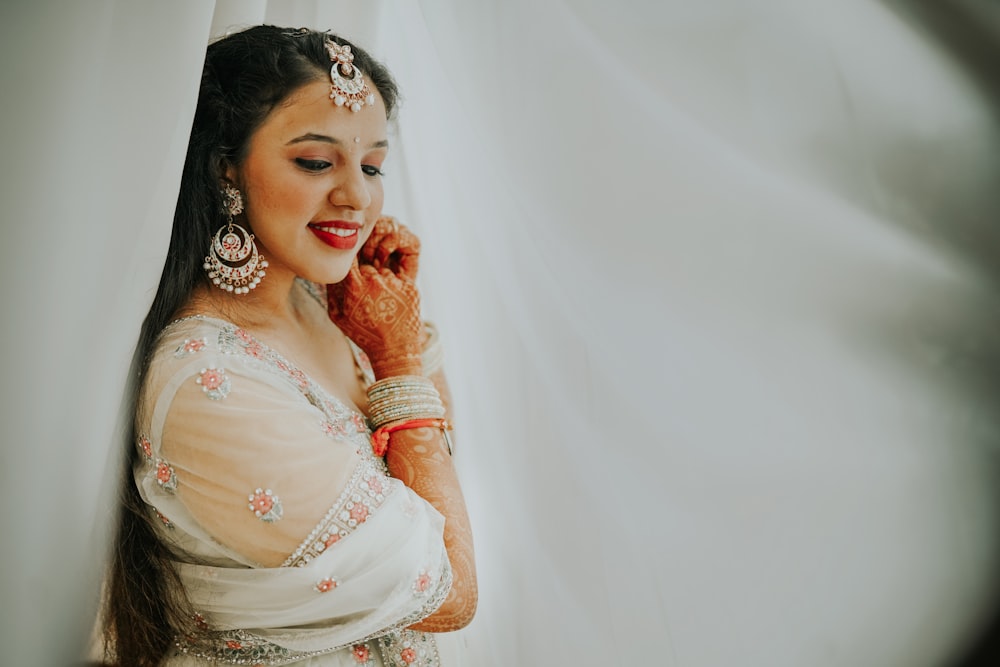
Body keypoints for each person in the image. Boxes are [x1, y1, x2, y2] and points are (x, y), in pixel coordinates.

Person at [101, 25, 477, 667]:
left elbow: (440, 470)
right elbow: (450, 590)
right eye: (314, 162)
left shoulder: (330, 310)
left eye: (372, 165)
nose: (357, 196)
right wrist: (400, 362)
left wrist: (401, 337)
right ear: (226, 167)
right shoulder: (209, 381)